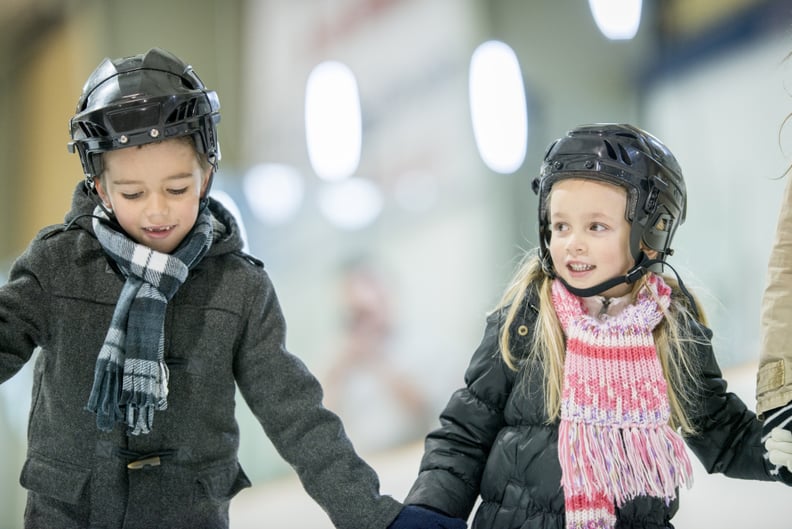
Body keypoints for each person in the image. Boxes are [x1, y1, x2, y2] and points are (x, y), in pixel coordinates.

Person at [0, 48, 464, 529]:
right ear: (99, 186)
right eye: (133, 194)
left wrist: (375, 517)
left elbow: (296, 416)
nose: (157, 211)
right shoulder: (58, 266)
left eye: (177, 189)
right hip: (68, 517)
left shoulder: (238, 287)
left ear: (206, 175)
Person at [399, 123, 792, 529]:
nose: (573, 243)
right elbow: (465, 433)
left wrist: (770, 452)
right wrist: (430, 511)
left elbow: (717, 429)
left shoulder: (671, 325)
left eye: (596, 227)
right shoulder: (528, 318)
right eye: (561, 226)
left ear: (651, 232)